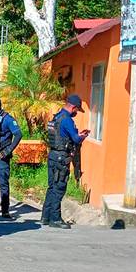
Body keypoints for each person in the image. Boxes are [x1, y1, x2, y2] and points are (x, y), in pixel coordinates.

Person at [41, 94, 89, 229]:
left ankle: (45, 216)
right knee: (59, 188)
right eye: (77, 110)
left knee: (51, 187)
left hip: (53, 155)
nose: (76, 113)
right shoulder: (67, 120)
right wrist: (82, 136)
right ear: (73, 107)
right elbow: (75, 139)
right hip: (61, 158)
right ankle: (55, 218)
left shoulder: (56, 117)